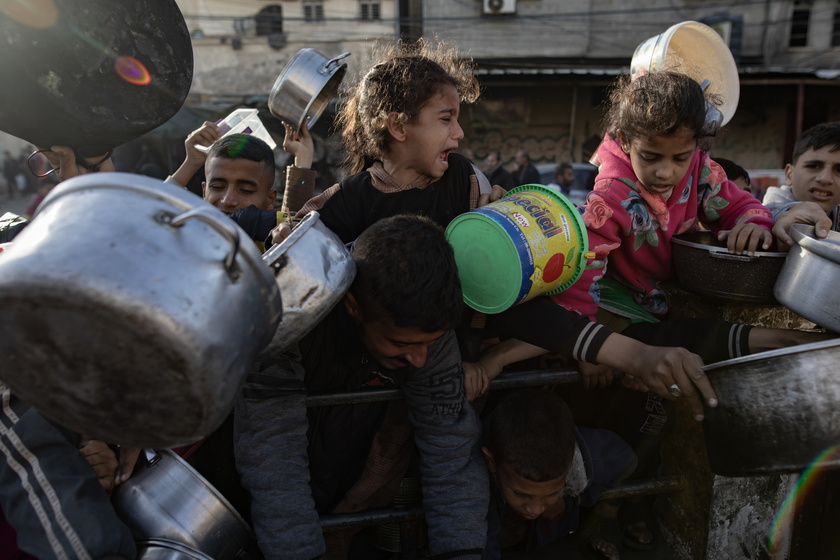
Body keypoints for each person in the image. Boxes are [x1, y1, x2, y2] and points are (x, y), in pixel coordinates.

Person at [275, 39, 719, 421]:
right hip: (365, 362)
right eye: (446, 119)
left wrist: (504, 221)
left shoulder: (463, 181)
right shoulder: (353, 197)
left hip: (451, 357)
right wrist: (299, 177)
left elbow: (500, 281)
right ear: (397, 126)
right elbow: (293, 245)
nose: (460, 132)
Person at [543, 70, 833, 550]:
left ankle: (627, 503)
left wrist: (752, 224)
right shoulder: (609, 196)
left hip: (659, 302)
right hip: (613, 307)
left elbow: (742, 206)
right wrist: (587, 343)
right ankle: (611, 509)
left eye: (680, 157)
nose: (665, 172)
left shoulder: (703, 172)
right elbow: (584, 272)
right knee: (643, 399)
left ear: (697, 147)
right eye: (651, 157)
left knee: (662, 406)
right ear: (623, 140)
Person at [234, 214, 488, 560]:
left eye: (430, 343)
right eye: (401, 344)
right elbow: (271, 451)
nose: (419, 359)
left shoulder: (428, 324)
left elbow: (451, 450)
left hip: (356, 495)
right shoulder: (287, 313)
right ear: (353, 306)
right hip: (251, 507)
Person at [482, 389, 635, 560]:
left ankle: (603, 522)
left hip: (548, 535)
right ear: (491, 461)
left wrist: (572, 501)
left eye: (553, 492)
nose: (536, 509)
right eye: (520, 493)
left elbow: (627, 460)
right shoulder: (473, 482)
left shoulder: (584, 457)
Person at [762, 121, 840, 245]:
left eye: (839, 170)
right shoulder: (757, 219)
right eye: (814, 166)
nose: (825, 179)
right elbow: (771, 213)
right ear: (789, 174)